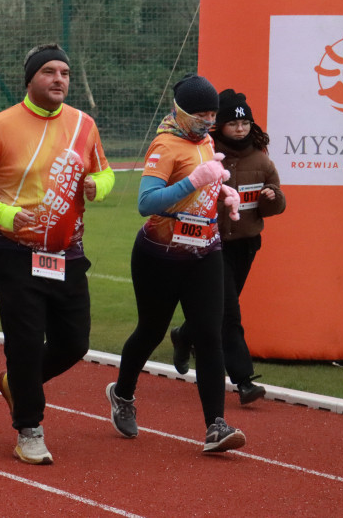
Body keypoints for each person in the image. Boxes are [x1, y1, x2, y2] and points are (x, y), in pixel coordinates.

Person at [0, 43, 114, 465]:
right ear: (30, 80)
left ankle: (16, 384)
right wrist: (2, 212)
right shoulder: (1, 126)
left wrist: (102, 186)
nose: (59, 79)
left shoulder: (84, 124)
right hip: (16, 251)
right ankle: (29, 429)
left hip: (68, 252)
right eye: (49, 72)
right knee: (24, 343)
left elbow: (104, 171)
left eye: (64, 72)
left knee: (74, 343)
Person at [107, 73, 247, 454]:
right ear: (180, 112)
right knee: (151, 331)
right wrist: (194, 181)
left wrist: (223, 192)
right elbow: (146, 203)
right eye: (199, 114)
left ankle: (215, 426)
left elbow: (204, 184)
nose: (207, 121)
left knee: (209, 333)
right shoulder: (164, 145)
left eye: (211, 114)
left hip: (205, 250)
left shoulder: (204, 141)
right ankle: (122, 393)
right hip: (161, 254)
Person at [169, 89, 286, 405]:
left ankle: (185, 334)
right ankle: (244, 379)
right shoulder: (206, 156)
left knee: (216, 308)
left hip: (247, 246)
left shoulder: (261, 161)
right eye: (233, 123)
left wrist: (271, 199)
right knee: (228, 312)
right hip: (211, 244)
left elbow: (276, 204)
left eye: (245, 123)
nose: (240, 129)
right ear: (219, 125)